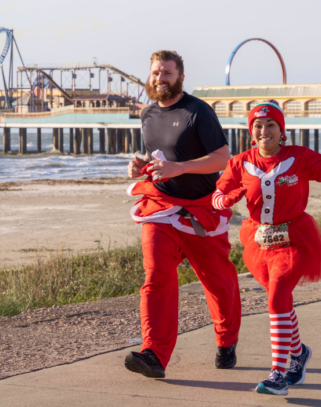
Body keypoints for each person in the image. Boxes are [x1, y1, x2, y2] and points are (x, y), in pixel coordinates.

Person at [212, 100, 321, 395]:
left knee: (277, 298)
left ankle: (277, 373)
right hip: (259, 243)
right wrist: (226, 201)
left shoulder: (299, 157)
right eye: (258, 125)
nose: (264, 130)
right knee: (283, 301)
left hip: (296, 240)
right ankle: (299, 353)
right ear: (252, 132)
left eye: (271, 125)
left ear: (282, 130)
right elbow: (216, 197)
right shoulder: (239, 163)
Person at [124, 50, 242, 379]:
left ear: (181, 77)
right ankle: (154, 354)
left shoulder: (197, 112)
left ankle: (226, 340)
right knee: (155, 278)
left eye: (167, 73)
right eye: (156, 73)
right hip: (161, 207)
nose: (160, 79)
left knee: (217, 281)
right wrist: (141, 166)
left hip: (201, 209)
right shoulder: (147, 114)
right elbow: (157, 156)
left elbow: (222, 159)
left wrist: (179, 168)